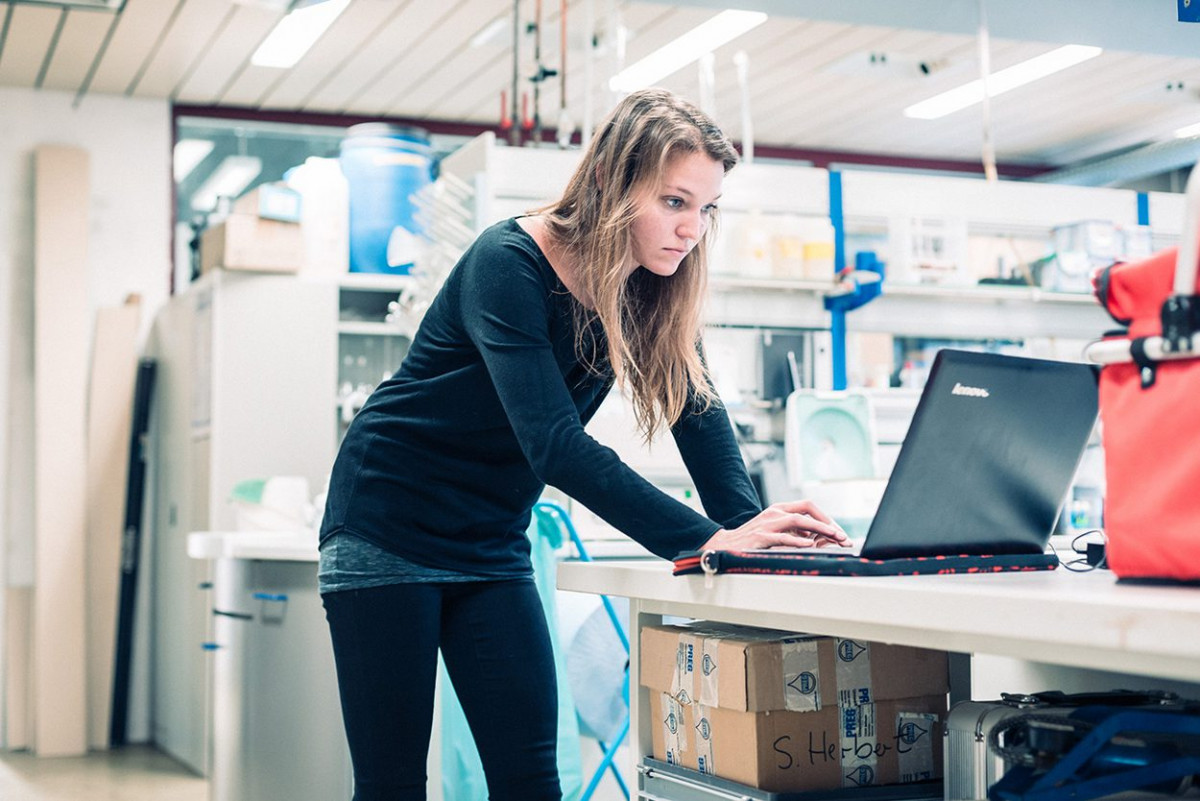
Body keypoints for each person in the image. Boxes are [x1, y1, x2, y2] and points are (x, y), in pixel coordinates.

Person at [318, 87, 849, 801]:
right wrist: (710, 542)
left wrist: (746, 534)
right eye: (673, 201)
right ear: (609, 181)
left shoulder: (648, 283)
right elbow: (554, 445)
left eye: (705, 208)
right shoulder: (507, 262)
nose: (691, 228)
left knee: (533, 779)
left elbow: (699, 411)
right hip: (387, 522)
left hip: (489, 544)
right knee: (391, 786)